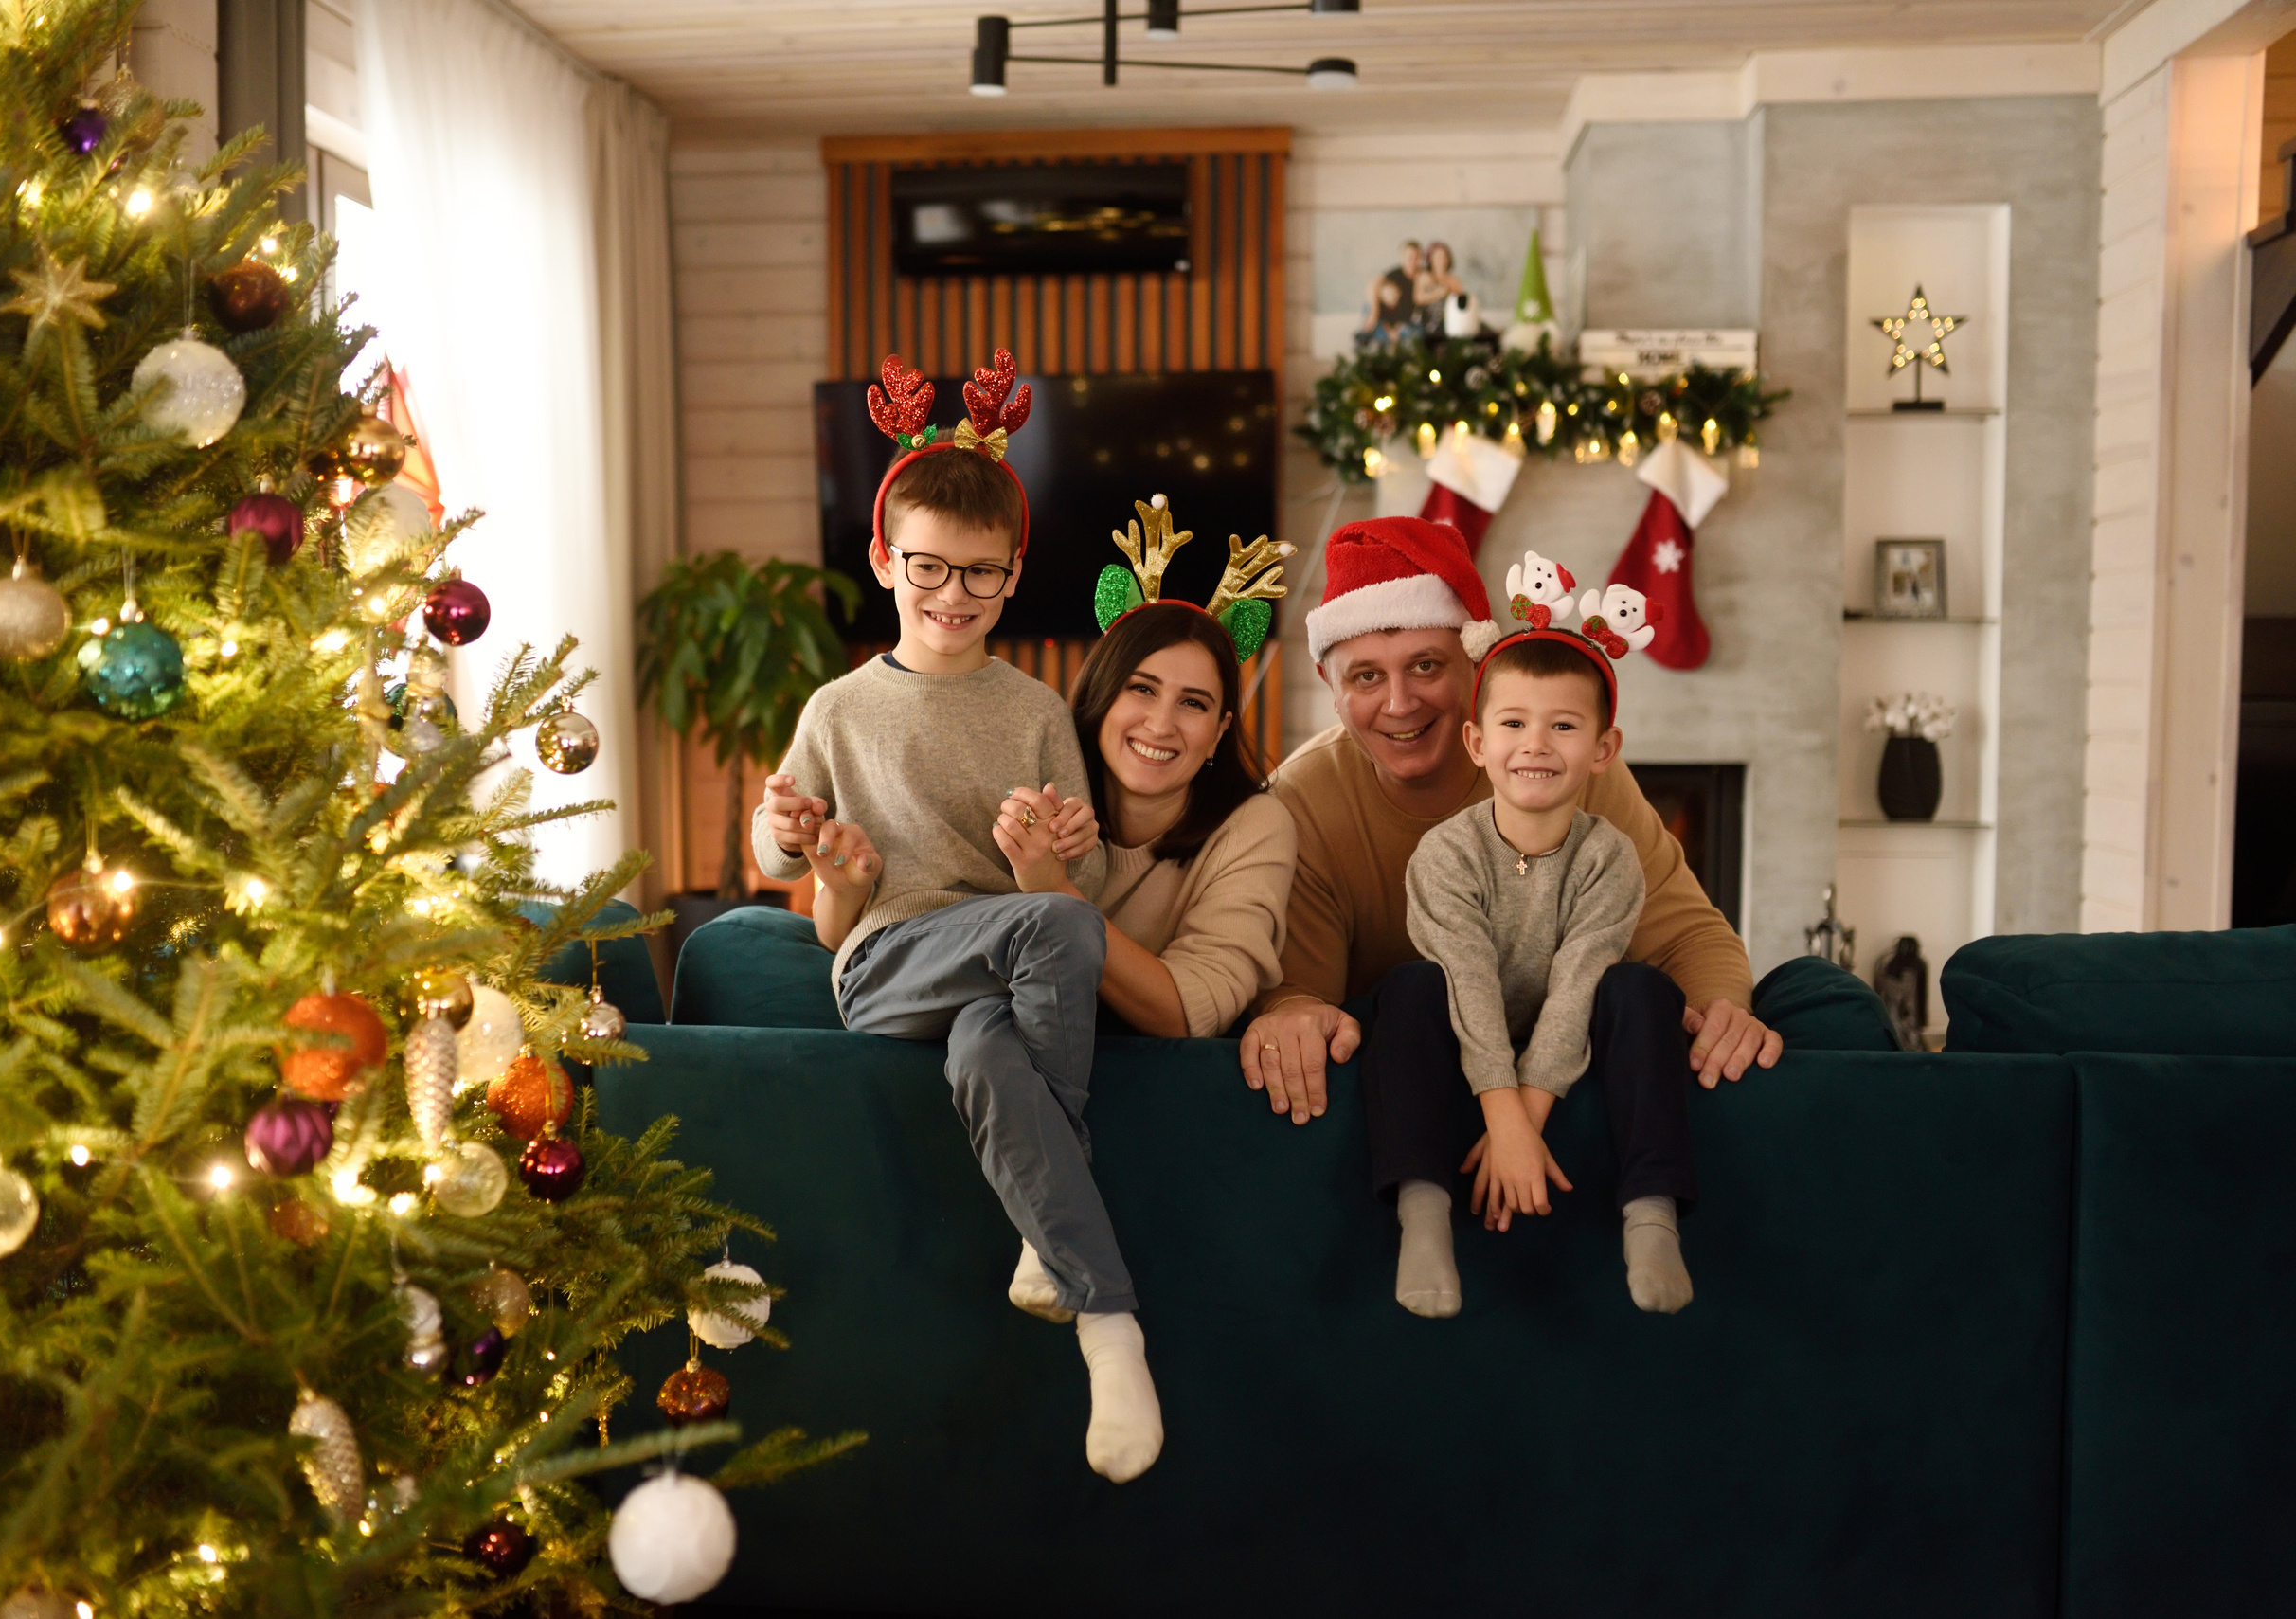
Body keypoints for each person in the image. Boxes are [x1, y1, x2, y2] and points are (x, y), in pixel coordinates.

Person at [753, 352, 1163, 1485]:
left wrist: (1063, 845)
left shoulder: (1034, 709)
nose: (954, 593)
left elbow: (1067, 845)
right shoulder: (839, 706)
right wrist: (793, 833)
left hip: (996, 986)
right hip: (887, 963)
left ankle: (1099, 1313)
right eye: (929, 566)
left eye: (981, 574)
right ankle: (1074, 1187)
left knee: (1000, 1036)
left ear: (1015, 574)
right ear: (885, 559)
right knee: (1060, 932)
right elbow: (768, 835)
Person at [1237, 515, 1781, 1131]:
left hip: (1570, 1064)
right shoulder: (1302, 802)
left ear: (1476, 666)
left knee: (1825, 998)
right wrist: (1292, 1013)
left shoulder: (1562, 767)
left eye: (1425, 666)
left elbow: (1691, 937)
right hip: (1412, 1077)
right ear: (1329, 686)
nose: (1398, 702)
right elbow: (1300, 994)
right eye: (1366, 676)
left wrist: (1721, 1010)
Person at [1384, 621, 1700, 1320]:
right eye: (1514, 722)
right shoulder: (1446, 855)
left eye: (1563, 725)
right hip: (1468, 1026)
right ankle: (1424, 1215)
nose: (1535, 743)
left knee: (1643, 988)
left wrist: (1526, 1119)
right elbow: (1465, 981)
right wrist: (1502, 1116)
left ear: (1603, 749)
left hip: (1570, 1027)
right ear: (1477, 741)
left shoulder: (1610, 857)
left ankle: (1652, 1216)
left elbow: (1580, 985)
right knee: (1410, 989)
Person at [1031, 591, 1296, 1041]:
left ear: (1219, 733)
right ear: (1102, 693)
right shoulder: (1038, 789)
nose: (1160, 724)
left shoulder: (1253, 827)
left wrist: (1056, 893)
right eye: (1142, 689)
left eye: (1193, 703)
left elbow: (1194, 1011)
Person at [1359, 240, 1424, 346]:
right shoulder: (1396, 274)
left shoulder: (1423, 276)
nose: (1412, 261)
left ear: (1420, 258)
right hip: (1385, 322)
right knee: (1368, 307)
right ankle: (1365, 337)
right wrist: (1374, 312)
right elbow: (1372, 285)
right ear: (1402, 257)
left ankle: (1376, 341)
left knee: (1413, 332)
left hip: (1405, 324)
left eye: (1416, 257)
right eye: (1409, 257)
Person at [1412, 241, 1464, 334]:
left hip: (1450, 321)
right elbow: (1418, 298)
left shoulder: (1454, 280)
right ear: (1431, 259)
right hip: (1429, 321)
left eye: (1444, 257)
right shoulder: (1424, 276)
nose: (1441, 260)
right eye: (1438, 257)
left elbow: (1462, 303)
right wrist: (1439, 293)